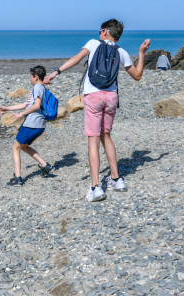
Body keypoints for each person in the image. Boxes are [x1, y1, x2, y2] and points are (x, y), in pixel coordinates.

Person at [44, 19, 150, 202]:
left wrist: (55, 72)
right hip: (111, 97)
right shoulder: (122, 52)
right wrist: (141, 53)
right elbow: (138, 76)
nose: (99, 33)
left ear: (105, 32)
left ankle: (95, 187)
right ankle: (116, 179)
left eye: (101, 30)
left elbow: (77, 59)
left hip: (93, 96)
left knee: (93, 140)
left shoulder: (93, 44)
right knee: (106, 135)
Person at [0, 65, 54, 187]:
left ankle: (18, 178)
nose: (30, 79)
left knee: (15, 147)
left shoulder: (37, 87)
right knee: (23, 146)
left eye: (30, 77)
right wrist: (7, 108)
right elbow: (25, 104)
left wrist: (21, 114)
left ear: (36, 77)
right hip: (39, 125)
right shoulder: (41, 88)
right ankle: (45, 166)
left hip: (32, 124)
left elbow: (36, 105)